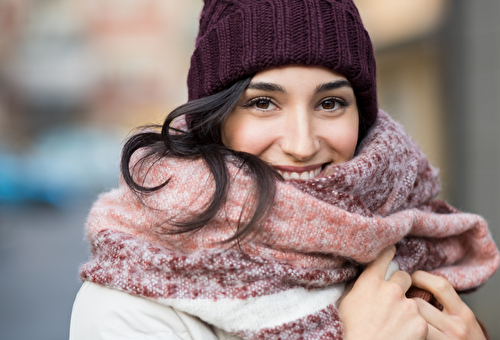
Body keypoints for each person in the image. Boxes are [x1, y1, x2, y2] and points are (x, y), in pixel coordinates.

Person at [69, 0, 500, 339]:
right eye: (262, 103)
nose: (301, 144)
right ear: (215, 119)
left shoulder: (406, 243)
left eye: (330, 103)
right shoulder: (131, 301)